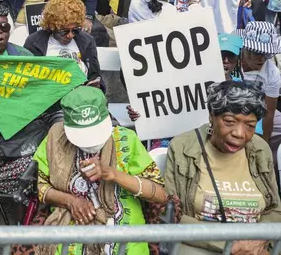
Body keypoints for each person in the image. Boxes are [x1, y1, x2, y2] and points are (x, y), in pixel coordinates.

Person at [33, 86, 166, 255]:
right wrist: (70, 201)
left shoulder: (127, 140)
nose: (90, 142)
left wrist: (113, 174)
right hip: (69, 240)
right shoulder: (55, 140)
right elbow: (38, 185)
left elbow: (160, 195)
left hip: (125, 241)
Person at [0, 4, 62, 223]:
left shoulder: (23, 56)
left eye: (4, 26)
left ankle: (27, 217)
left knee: (42, 156)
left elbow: (37, 95)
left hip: (19, 127)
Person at [165, 81, 281, 254]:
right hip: (200, 246)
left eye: (250, 125)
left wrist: (259, 238)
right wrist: (229, 245)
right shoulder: (183, 147)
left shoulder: (260, 149)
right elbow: (171, 212)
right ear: (212, 116)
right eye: (229, 121)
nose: (239, 133)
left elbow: (275, 210)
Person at [24, 0, 103, 89]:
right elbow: (27, 80)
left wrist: (96, 85)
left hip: (81, 95)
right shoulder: (34, 42)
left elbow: (95, 75)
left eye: (75, 30)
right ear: (52, 26)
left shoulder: (87, 41)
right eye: (64, 31)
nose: (70, 35)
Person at [234, 21, 281, 142]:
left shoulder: (272, 72)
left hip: (259, 106)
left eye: (265, 54)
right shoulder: (231, 58)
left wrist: (263, 145)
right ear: (245, 48)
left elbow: (269, 112)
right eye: (255, 53)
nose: (261, 59)